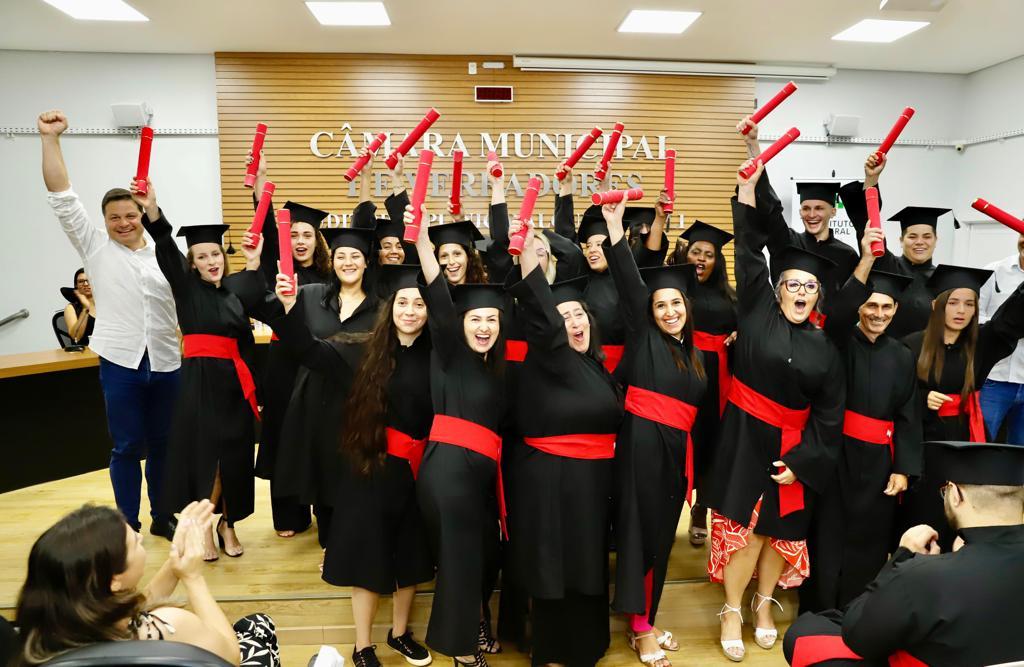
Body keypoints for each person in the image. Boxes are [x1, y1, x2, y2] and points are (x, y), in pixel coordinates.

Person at [704, 160, 844, 662]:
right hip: (744, 439)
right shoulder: (756, 309)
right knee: (743, 531)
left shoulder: (826, 348)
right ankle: (732, 610)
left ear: (818, 296)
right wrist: (745, 187)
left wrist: (803, 464)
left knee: (776, 535)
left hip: (792, 451)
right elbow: (746, 249)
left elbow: (830, 414)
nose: (801, 293)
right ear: (778, 288)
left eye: (810, 288)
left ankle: (765, 606)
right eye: (793, 285)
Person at [274, 264, 434, 667]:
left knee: (411, 557)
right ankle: (363, 646)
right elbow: (308, 350)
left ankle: (400, 634)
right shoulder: (362, 349)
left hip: (418, 472)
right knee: (368, 557)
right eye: (403, 302)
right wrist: (291, 306)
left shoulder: (439, 357)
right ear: (390, 307)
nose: (410, 310)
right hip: (370, 470)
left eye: (419, 304)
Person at [39, 110, 179, 540]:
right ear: (104, 221)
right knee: (126, 447)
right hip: (120, 361)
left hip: (168, 361)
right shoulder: (95, 246)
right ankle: (127, 524)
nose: (123, 223)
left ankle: (162, 515)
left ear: (142, 214)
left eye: (130, 215)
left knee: (162, 447)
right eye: (114, 217)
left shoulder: (165, 253)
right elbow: (62, 195)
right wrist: (50, 140)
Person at [783, 440, 1024, 667]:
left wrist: (902, 556)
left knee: (804, 632)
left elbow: (858, 633)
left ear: (955, 494)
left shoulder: (926, 576)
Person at [504, 218, 623, 667]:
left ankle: (587, 646)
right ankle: (552, 652)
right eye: (563, 316)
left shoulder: (597, 368)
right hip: (551, 482)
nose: (572, 322)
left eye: (579, 314)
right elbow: (539, 310)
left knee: (587, 563)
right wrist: (528, 258)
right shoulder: (552, 356)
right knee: (554, 567)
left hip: (591, 483)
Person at [134, 181, 266, 561]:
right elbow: (164, 247)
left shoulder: (235, 293)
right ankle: (208, 525)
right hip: (200, 383)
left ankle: (230, 523)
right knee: (208, 456)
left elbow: (245, 344)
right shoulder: (186, 288)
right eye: (202, 257)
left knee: (236, 456)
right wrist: (153, 210)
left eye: (216, 255)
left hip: (234, 384)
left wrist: (255, 390)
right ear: (191, 263)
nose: (212, 262)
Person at [602, 201, 707, 667]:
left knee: (663, 538)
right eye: (660, 305)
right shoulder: (643, 337)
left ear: (688, 307)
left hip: (672, 452)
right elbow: (627, 280)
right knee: (640, 535)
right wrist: (612, 223)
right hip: (641, 446)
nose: (669, 311)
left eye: (675, 304)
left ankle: (647, 616)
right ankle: (639, 628)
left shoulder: (693, 353)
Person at [798, 229, 921, 613]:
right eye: (870, 306)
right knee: (827, 533)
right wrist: (866, 259)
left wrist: (903, 468)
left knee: (870, 536)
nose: (878, 315)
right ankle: (816, 609)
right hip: (836, 453)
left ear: (896, 311)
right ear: (859, 308)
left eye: (886, 308)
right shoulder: (838, 341)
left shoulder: (902, 356)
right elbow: (836, 314)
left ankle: (855, 610)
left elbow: (908, 415)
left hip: (879, 462)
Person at [408, 203, 506, 667]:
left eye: (491, 320)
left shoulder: (494, 365)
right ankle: (462, 651)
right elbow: (436, 288)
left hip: (478, 474)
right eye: (474, 320)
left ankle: (477, 619)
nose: (483, 326)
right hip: (449, 471)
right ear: (458, 325)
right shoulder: (448, 349)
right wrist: (424, 241)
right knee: (461, 561)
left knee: (485, 552)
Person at [13, 500, 280, 667]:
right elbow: (230, 657)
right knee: (258, 627)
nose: (141, 540)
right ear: (114, 580)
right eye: (134, 543)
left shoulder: (52, 627)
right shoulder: (166, 626)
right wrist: (193, 578)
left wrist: (176, 563)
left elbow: (136, 609)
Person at [270, 225, 380, 554]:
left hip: (358, 399)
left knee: (353, 473)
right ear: (331, 261)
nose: (348, 262)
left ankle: (353, 543)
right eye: (340, 256)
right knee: (320, 469)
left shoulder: (381, 306)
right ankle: (330, 545)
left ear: (366, 263)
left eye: (355, 256)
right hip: (314, 398)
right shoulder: (309, 296)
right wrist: (286, 306)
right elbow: (294, 344)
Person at [900, 263, 1024, 550]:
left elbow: (1010, 320)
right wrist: (921, 398)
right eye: (953, 302)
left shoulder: (980, 344)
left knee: (962, 524)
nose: (961, 310)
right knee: (924, 518)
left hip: (966, 444)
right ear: (936, 305)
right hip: (924, 446)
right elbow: (893, 399)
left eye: (969, 304)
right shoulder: (911, 346)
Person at [249, 150, 333, 538]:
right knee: (284, 436)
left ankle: (324, 507)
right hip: (284, 362)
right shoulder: (278, 270)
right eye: (294, 234)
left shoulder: (330, 274)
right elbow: (266, 230)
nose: (300, 241)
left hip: (317, 361)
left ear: (317, 240)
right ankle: (288, 514)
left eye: (306, 235)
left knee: (316, 433)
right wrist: (261, 186)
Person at [738, 118, 857, 303]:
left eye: (819, 208)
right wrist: (753, 144)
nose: (811, 215)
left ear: (833, 211)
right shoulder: (788, 243)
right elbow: (771, 208)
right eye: (806, 208)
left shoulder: (847, 255)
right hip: (786, 328)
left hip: (827, 331)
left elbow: (850, 300)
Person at [839, 153, 953, 339]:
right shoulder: (889, 267)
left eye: (926, 236)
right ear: (901, 239)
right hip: (891, 357)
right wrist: (872, 179)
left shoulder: (944, 279)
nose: (919, 242)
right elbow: (866, 223)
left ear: (936, 239)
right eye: (912, 236)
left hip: (928, 359)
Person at [677, 220, 738, 547]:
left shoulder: (731, 295)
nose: (701, 257)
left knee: (714, 443)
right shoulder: (678, 291)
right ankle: (676, 504)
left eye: (708, 254)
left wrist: (738, 335)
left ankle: (702, 508)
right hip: (685, 370)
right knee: (687, 437)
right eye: (696, 251)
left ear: (718, 261)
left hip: (720, 379)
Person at [978, 233, 1024, 445]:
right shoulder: (995, 271)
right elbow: (974, 316)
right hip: (993, 380)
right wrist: (1005, 327)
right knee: (979, 445)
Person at [351, 148, 410, 266]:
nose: (394, 251)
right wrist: (366, 174)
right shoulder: (368, 279)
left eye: (400, 246)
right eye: (386, 246)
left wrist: (396, 177)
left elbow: (403, 223)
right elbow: (363, 220)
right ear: (377, 251)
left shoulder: (414, 278)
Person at [60, 268, 96, 345]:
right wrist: (85, 309)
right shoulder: (71, 308)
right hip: (84, 352)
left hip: (107, 351)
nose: (86, 284)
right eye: (81, 281)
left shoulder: (105, 305)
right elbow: (76, 337)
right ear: (76, 285)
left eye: (89, 280)